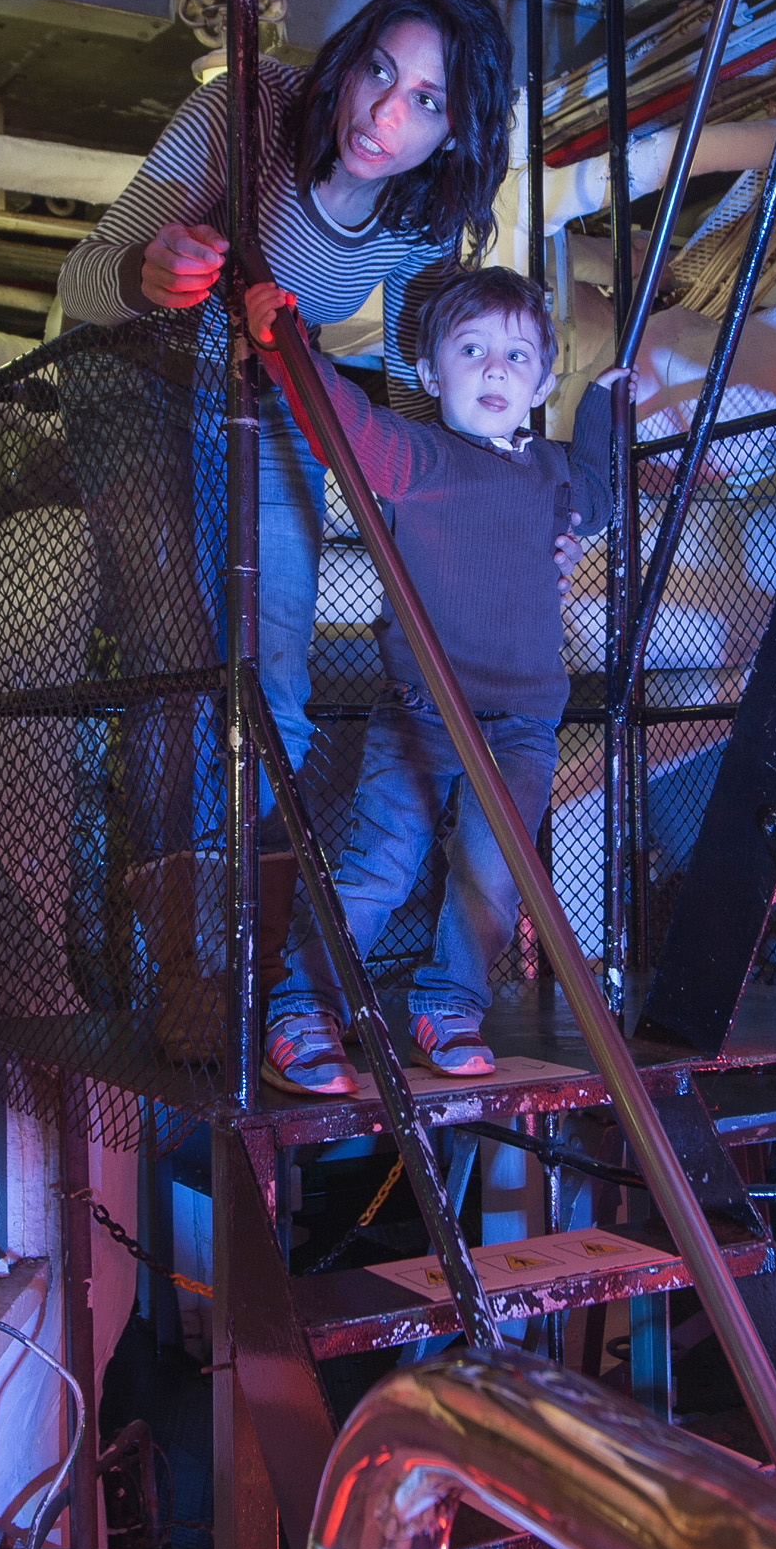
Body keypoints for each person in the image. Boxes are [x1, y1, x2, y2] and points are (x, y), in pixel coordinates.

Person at [54, 0, 520, 814]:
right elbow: (82, 280)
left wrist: (484, 501)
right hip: (134, 375)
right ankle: (167, 920)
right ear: (347, 58)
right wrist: (148, 269)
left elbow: (424, 395)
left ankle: (233, 895)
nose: (383, 116)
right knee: (181, 655)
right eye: (379, 71)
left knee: (274, 688)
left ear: (455, 133)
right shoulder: (245, 113)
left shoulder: (423, 215)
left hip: (270, 392)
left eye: (426, 101)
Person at [237, 266, 625, 1099]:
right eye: (473, 350)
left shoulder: (549, 472)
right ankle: (303, 1008)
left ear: (542, 381)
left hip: (523, 722)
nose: (494, 370)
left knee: (493, 875)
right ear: (429, 374)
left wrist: (605, 404)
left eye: (517, 356)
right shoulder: (418, 457)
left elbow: (598, 496)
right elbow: (341, 419)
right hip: (422, 713)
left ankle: (449, 1007)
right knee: (379, 866)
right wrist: (288, 347)